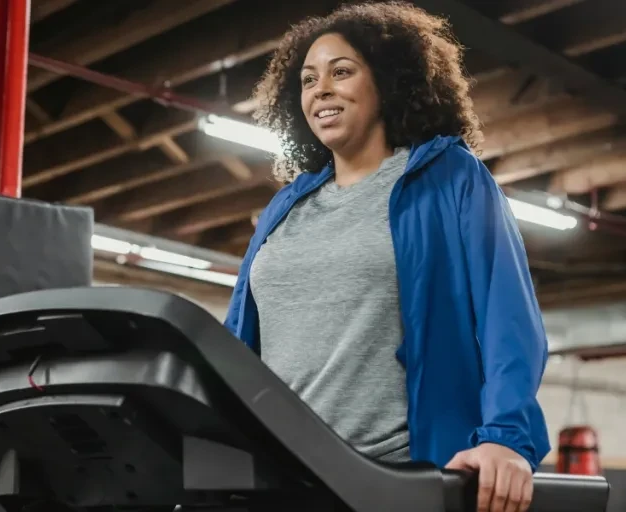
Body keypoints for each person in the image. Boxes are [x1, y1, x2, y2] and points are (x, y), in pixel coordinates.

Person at [222, 3, 552, 512]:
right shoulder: (285, 208)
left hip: (393, 476)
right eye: (308, 79)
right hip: (282, 478)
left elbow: (506, 315)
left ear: (389, 82)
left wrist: (507, 437)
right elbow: (239, 342)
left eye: (342, 71)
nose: (321, 89)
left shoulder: (449, 178)